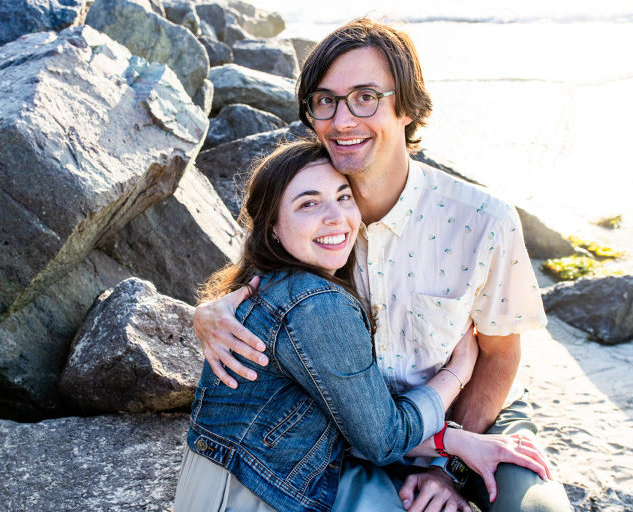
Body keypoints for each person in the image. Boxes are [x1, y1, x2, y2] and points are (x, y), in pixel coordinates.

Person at [193, 18, 572, 512]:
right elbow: (255, 288)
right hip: (348, 430)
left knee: (540, 510)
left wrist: (447, 467)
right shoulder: (313, 217)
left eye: (365, 96)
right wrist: (204, 315)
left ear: (408, 108)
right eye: (325, 100)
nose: (342, 119)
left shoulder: (483, 220)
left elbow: (499, 355)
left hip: (470, 417)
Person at [175, 140, 550, 512]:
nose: (336, 217)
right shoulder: (317, 302)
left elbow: (360, 416)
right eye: (308, 203)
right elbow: (380, 438)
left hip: (241, 478)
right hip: (253, 491)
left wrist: (452, 447)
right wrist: (458, 370)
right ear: (272, 227)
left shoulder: (280, 281)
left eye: (343, 197)